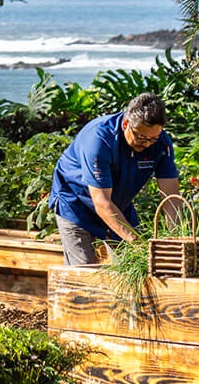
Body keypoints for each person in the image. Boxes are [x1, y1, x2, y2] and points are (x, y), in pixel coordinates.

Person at [50, 92, 181, 265]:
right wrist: (137, 243)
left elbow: (171, 198)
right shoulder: (99, 140)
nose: (148, 144)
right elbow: (102, 203)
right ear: (126, 124)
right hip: (76, 203)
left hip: (118, 203)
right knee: (83, 271)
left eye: (153, 138)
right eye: (141, 137)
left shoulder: (161, 143)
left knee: (136, 264)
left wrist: (175, 242)